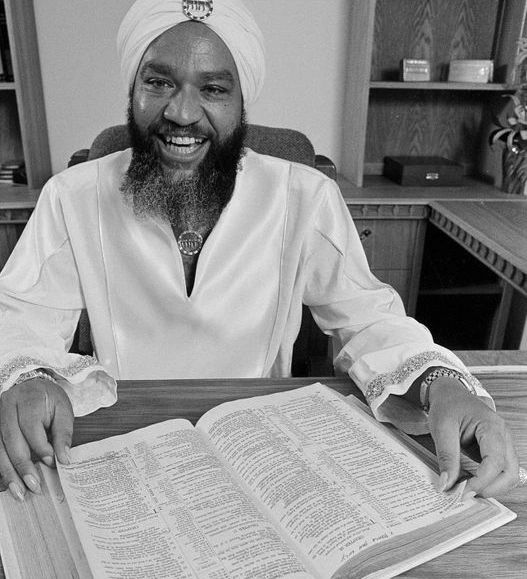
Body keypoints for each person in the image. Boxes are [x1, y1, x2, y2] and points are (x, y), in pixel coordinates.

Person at [0, 0, 520, 503]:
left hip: (260, 447)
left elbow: (368, 318)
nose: (182, 112)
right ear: (131, 89)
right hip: (118, 444)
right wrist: (23, 378)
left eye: (213, 88)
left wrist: (441, 381)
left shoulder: (305, 195)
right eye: (158, 82)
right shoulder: (71, 196)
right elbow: (18, 317)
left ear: (241, 101)